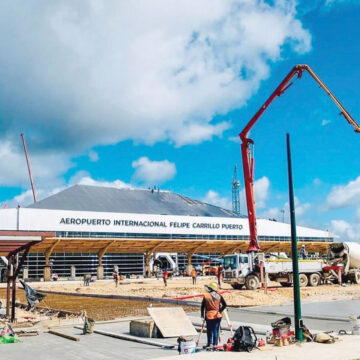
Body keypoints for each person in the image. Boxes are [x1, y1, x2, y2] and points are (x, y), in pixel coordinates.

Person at [201, 282, 227, 349]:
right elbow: (225, 305)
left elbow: (202, 306)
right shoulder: (219, 296)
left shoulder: (206, 296)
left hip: (209, 316)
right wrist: (219, 311)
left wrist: (202, 315)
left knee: (209, 330)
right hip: (217, 316)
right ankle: (215, 344)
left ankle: (209, 344)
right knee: (215, 330)